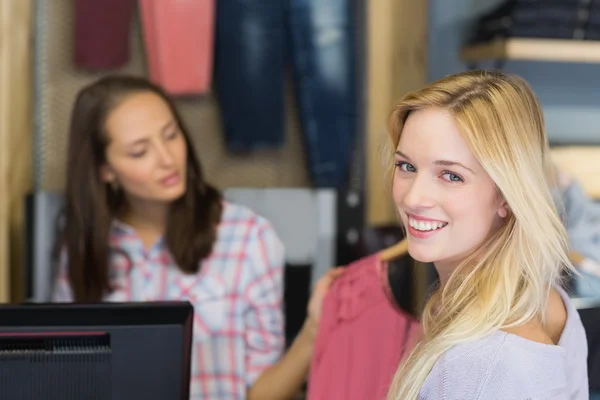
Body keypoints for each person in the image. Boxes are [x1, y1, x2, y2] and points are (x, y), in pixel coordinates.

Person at [52, 75, 343, 399]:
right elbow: (70, 378)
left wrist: (314, 330)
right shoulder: (82, 245)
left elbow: (263, 392)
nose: (167, 159)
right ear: (105, 170)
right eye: (139, 152)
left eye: (171, 135)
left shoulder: (249, 239)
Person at [385, 70, 588, 400]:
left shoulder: (483, 362)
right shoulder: (546, 301)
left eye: (451, 175)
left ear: (507, 194)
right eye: (406, 166)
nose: (412, 198)